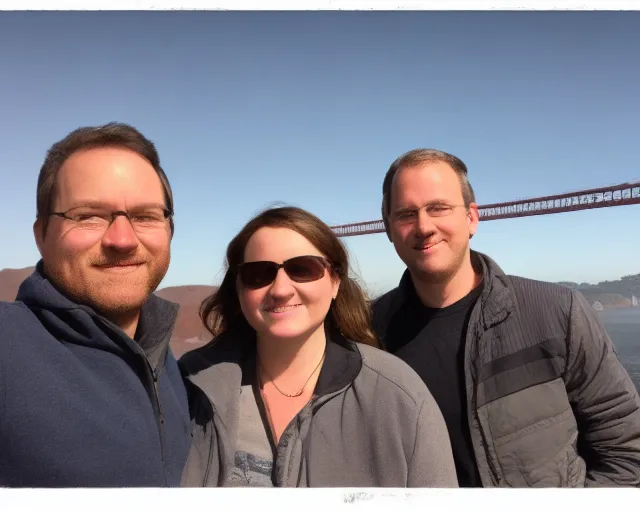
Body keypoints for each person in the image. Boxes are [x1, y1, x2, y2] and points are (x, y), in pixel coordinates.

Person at [372, 148, 640, 487]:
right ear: (389, 229)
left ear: (471, 218)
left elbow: (627, 452)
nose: (424, 226)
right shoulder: (368, 332)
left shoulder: (558, 310)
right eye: (407, 214)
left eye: (438, 208)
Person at [179, 206, 458, 487]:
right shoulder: (189, 385)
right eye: (258, 274)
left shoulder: (399, 397)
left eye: (303, 269)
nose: (280, 289)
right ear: (239, 289)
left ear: (335, 281)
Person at [0, 123, 190, 487]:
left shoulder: (169, 366)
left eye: (145, 216)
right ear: (41, 235)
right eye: (88, 215)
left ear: (169, 231)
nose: (122, 239)